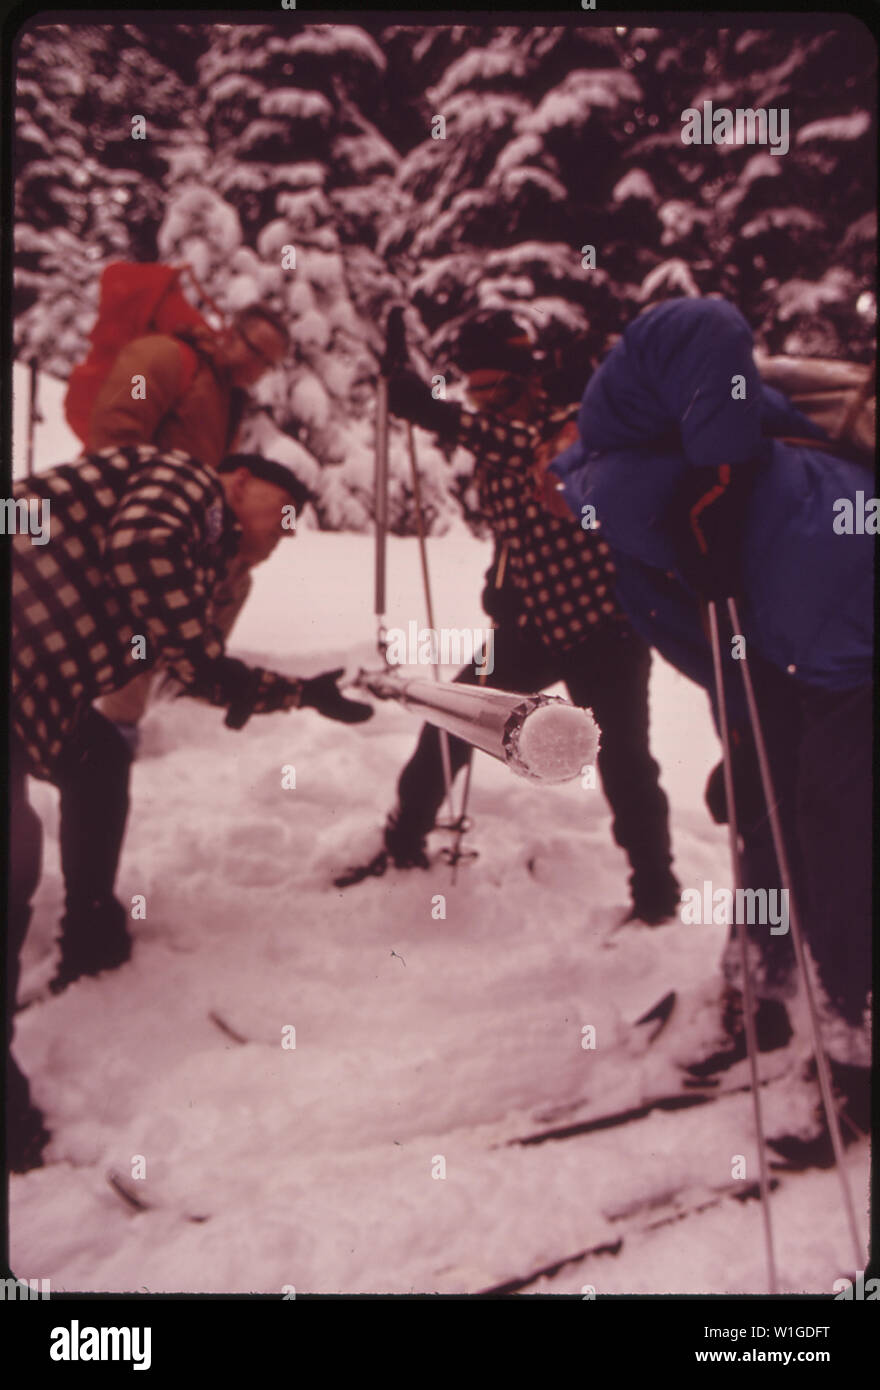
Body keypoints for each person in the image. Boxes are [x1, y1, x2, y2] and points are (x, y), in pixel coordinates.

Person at [549, 295, 873, 1166]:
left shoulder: (623, 411)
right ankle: (759, 988)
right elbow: (724, 658)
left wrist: (722, 481)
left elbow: (709, 322)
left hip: (848, 633)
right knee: (767, 812)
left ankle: (856, 1047)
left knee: (840, 841)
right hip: (786, 647)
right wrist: (748, 744)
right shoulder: (610, 491)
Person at [8, 444, 373, 1171]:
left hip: (30, 692)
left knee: (99, 758)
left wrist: (303, 693)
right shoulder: (184, 480)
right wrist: (208, 653)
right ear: (238, 480)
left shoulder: (203, 562)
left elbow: (192, 664)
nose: (287, 528)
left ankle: (91, 928)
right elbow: (140, 548)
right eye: (282, 508)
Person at [336, 310, 680, 927]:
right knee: (452, 715)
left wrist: (430, 408)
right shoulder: (496, 436)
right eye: (474, 390)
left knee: (626, 761)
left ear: (527, 380)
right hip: (533, 627)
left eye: (496, 388)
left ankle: (657, 896)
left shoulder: (573, 426)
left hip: (606, 627)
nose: (486, 403)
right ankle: (403, 839)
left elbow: (532, 455)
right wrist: (504, 587)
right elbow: (518, 527)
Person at [45, 303, 289, 995]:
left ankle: (88, 907)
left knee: (101, 740)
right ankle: (82, 917)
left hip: (154, 562)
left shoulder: (225, 394)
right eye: (252, 347)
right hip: (109, 553)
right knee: (87, 734)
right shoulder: (164, 358)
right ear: (229, 329)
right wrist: (149, 522)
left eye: (266, 362)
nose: (253, 364)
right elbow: (116, 440)